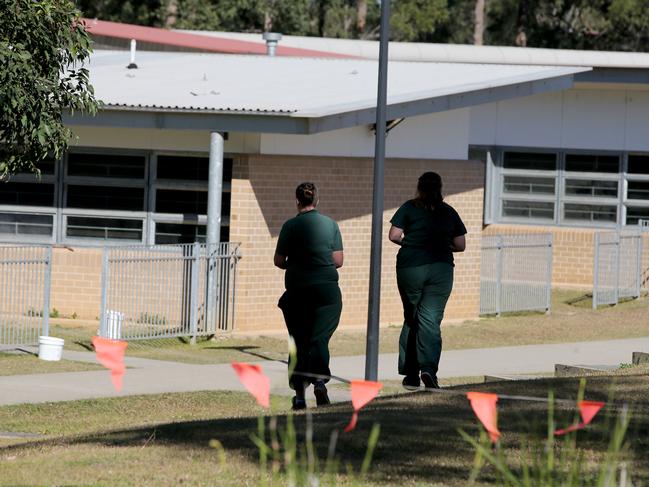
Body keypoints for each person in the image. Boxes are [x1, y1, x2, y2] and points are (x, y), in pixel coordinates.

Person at [388, 171, 466, 390]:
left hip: (410, 268)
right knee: (430, 319)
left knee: (413, 318)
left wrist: (411, 244)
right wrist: (441, 246)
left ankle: (411, 374)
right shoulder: (448, 212)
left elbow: (394, 235)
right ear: (440, 188)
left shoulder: (409, 208)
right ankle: (428, 370)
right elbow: (460, 245)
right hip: (440, 270)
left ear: (419, 187)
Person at [274, 182, 344, 410]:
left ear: (297, 201)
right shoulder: (330, 225)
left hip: (298, 290)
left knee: (298, 341)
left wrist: (295, 264)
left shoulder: (290, 226)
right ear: (317, 200)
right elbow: (338, 261)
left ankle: (300, 395)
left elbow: (278, 260)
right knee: (319, 339)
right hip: (327, 291)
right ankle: (320, 382)